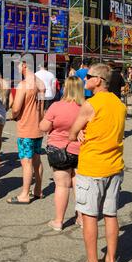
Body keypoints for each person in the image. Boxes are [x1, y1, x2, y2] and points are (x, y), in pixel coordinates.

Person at [69, 63, 126, 262]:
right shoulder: (119, 104)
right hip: (115, 166)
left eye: (89, 76)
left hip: (93, 166)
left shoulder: (91, 105)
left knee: (90, 216)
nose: (85, 78)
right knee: (111, 214)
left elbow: (72, 134)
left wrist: (80, 133)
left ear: (98, 81)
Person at [39, 76, 84, 231]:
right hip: (79, 150)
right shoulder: (85, 107)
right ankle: (81, 218)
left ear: (66, 88)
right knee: (79, 185)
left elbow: (44, 127)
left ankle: (59, 221)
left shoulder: (56, 106)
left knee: (62, 186)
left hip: (59, 149)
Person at [7, 61, 45, 204]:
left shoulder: (23, 85)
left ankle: (24, 194)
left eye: (17, 65)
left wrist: (14, 115)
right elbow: (41, 107)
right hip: (38, 126)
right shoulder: (40, 85)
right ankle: (38, 190)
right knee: (37, 160)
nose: (16, 68)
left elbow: (16, 108)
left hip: (26, 127)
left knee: (26, 162)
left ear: (24, 65)